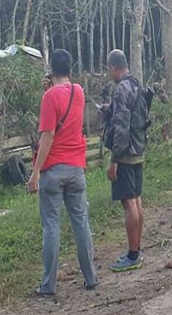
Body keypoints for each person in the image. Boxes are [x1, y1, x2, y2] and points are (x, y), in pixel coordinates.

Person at [28, 49, 98, 295]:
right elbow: (64, 97)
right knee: (81, 223)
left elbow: (48, 135)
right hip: (76, 168)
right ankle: (90, 277)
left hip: (53, 171)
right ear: (70, 68)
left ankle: (48, 285)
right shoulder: (79, 91)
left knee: (51, 227)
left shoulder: (49, 97)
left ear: (51, 69)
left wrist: (35, 173)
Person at [104, 49, 149, 272]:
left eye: (109, 69)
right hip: (138, 148)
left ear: (113, 67)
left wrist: (114, 159)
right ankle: (136, 250)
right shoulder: (136, 84)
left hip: (126, 153)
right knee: (136, 200)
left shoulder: (121, 89)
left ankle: (132, 255)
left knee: (128, 203)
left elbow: (121, 126)